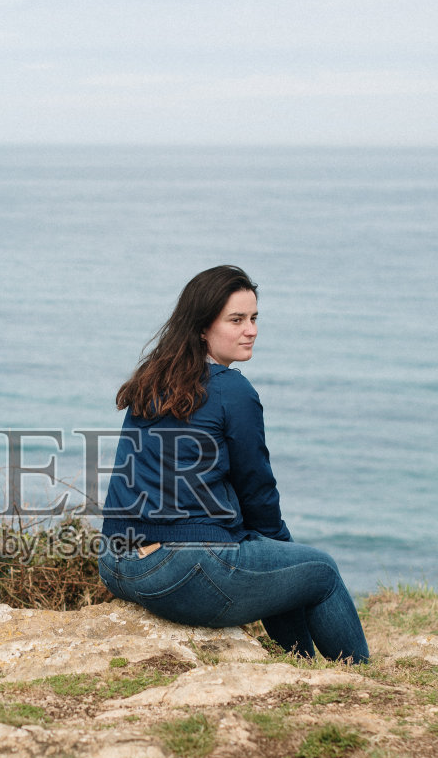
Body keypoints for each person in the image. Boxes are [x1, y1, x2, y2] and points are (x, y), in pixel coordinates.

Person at [98, 265, 369, 663]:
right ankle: (357, 674)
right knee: (320, 570)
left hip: (117, 562)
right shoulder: (231, 389)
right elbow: (256, 488)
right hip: (179, 567)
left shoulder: (153, 380)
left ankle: (302, 665)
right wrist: (280, 545)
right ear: (203, 327)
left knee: (278, 560)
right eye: (236, 320)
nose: (251, 330)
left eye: (254, 318)